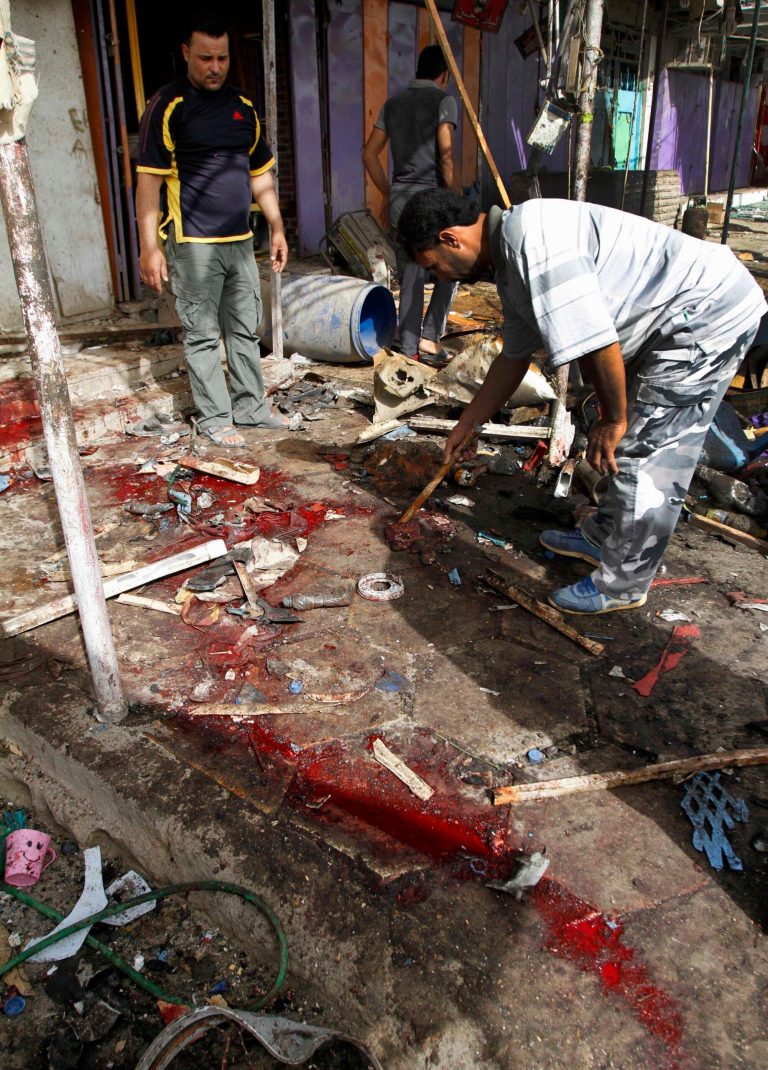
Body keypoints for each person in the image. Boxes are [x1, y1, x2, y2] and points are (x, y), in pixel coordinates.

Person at [397, 189, 766, 614]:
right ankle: (604, 534)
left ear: (450, 239)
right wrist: (469, 423)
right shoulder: (510, 262)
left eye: (434, 267)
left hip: (707, 314)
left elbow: (596, 340)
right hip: (675, 315)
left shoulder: (531, 240)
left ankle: (624, 582)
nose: (441, 279)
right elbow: (513, 356)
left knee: (649, 450)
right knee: (627, 442)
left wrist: (613, 419)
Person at [136, 13, 289, 448]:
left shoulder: (243, 107)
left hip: (240, 242)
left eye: (222, 57)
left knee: (244, 327)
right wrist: (150, 247)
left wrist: (276, 225)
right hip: (192, 244)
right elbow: (147, 180)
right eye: (205, 58)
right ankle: (215, 418)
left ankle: (251, 408)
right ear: (187, 53)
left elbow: (260, 175)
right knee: (203, 334)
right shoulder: (168, 105)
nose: (215, 67)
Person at [362, 45, 461, 368]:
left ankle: (408, 345)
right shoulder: (444, 101)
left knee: (411, 275)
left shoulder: (393, 104)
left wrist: (390, 191)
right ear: (443, 74)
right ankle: (430, 338)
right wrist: (454, 198)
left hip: (401, 198)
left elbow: (369, 154)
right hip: (429, 197)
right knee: (451, 266)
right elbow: (445, 155)